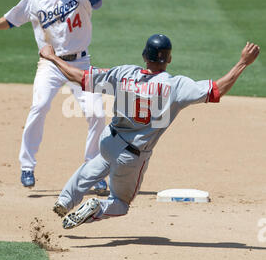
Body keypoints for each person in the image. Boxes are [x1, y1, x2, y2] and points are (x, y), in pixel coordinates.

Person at [39, 34, 260, 229]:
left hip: (108, 141)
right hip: (131, 156)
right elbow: (217, 90)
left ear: (145, 55)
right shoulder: (175, 86)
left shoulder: (123, 73)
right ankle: (98, 207)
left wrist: (52, 57)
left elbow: (80, 77)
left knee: (99, 163)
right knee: (121, 203)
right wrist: (243, 62)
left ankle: (65, 200)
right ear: (169, 59)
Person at [0, 0, 108, 192]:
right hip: (50, 65)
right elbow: (12, 20)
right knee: (40, 106)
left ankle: (92, 170)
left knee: (97, 113)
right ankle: (27, 166)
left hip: (80, 63)